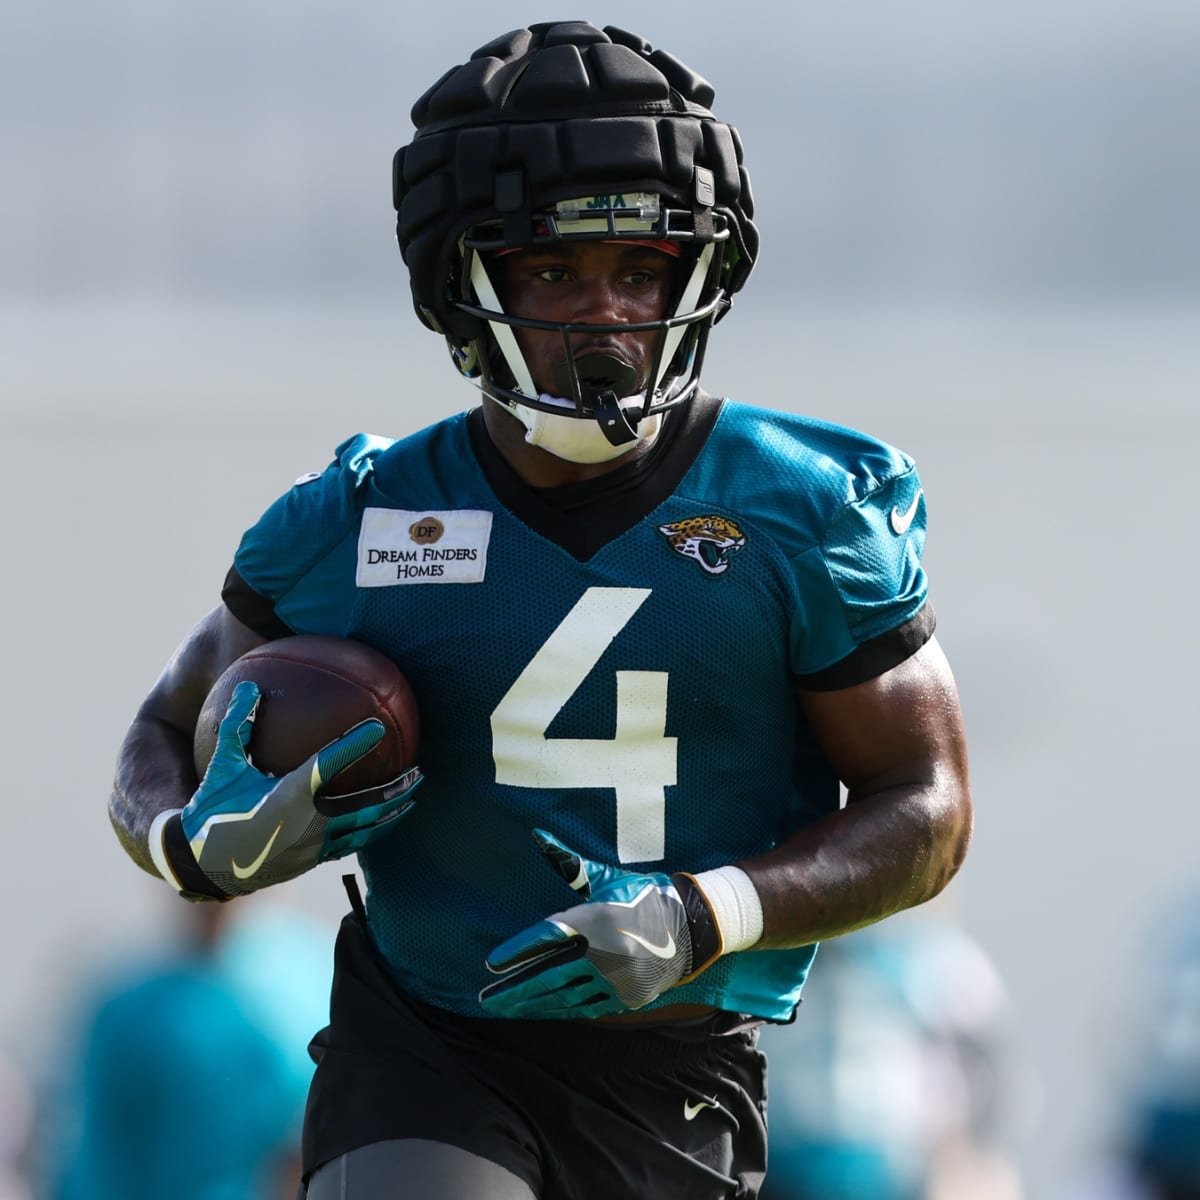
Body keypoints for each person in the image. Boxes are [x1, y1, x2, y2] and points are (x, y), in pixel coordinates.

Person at [108, 20, 973, 1200]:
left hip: (673, 1069)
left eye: (640, 272)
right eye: (552, 271)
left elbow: (927, 809)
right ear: (463, 285)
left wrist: (704, 912)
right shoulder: (361, 516)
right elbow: (161, 733)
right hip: (426, 1041)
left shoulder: (803, 509)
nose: (605, 311)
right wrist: (191, 844)